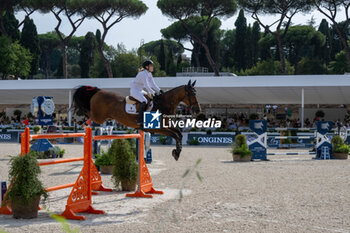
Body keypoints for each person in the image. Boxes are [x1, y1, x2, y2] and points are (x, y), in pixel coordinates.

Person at [130, 60, 163, 125]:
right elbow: (146, 85)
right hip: (134, 90)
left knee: (150, 99)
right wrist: (153, 92)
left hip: (140, 90)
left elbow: (153, 84)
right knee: (144, 101)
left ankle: (146, 116)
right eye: (151, 66)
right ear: (147, 67)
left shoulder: (149, 74)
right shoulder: (142, 74)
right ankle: (139, 119)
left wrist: (159, 90)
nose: (152, 67)